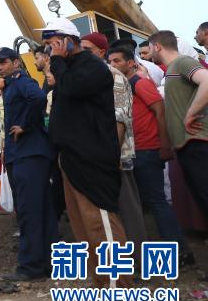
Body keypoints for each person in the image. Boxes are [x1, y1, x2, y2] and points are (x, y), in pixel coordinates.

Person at [40, 18, 131, 294]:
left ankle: (118, 288)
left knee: (100, 224)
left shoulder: (92, 67)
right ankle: (101, 284)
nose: (49, 51)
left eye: (54, 44)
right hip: (71, 157)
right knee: (83, 228)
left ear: (68, 40)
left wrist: (56, 61)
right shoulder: (70, 69)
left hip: (91, 157)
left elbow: (71, 89)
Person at [107, 46, 195, 266]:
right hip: (134, 151)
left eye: (117, 61)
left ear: (131, 63)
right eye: (110, 61)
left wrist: (164, 144)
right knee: (143, 203)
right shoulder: (123, 87)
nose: (113, 65)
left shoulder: (140, 83)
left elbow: (160, 110)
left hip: (147, 150)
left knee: (156, 201)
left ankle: (180, 251)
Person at [0, 47, 56, 282]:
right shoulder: (11, 85)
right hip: (29, 154)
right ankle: (46, 263)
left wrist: (24, 124)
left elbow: (38, 97)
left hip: (29, 154)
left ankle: (31, 266)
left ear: (16, 63)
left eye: (3, 62)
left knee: (29, 211)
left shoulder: (20, 81)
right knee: (42, 210)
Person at [80, 33, 146, 259]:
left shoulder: (113, 77)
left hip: (114, 158)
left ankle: (137, 264)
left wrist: (110, 156)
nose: (82, 54)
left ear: (101, 52)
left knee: (127, 211)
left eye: (87, 50)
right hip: (94, 159)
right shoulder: (88, 78)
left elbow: (119, 121)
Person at [148, 30, 208, 216]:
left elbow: (207, 80)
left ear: (157, 46)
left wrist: (191, 113)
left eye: (149, 49)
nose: (149, 54)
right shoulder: (172, 69)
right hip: (187, 143)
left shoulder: (182, 62)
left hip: (197, 141)